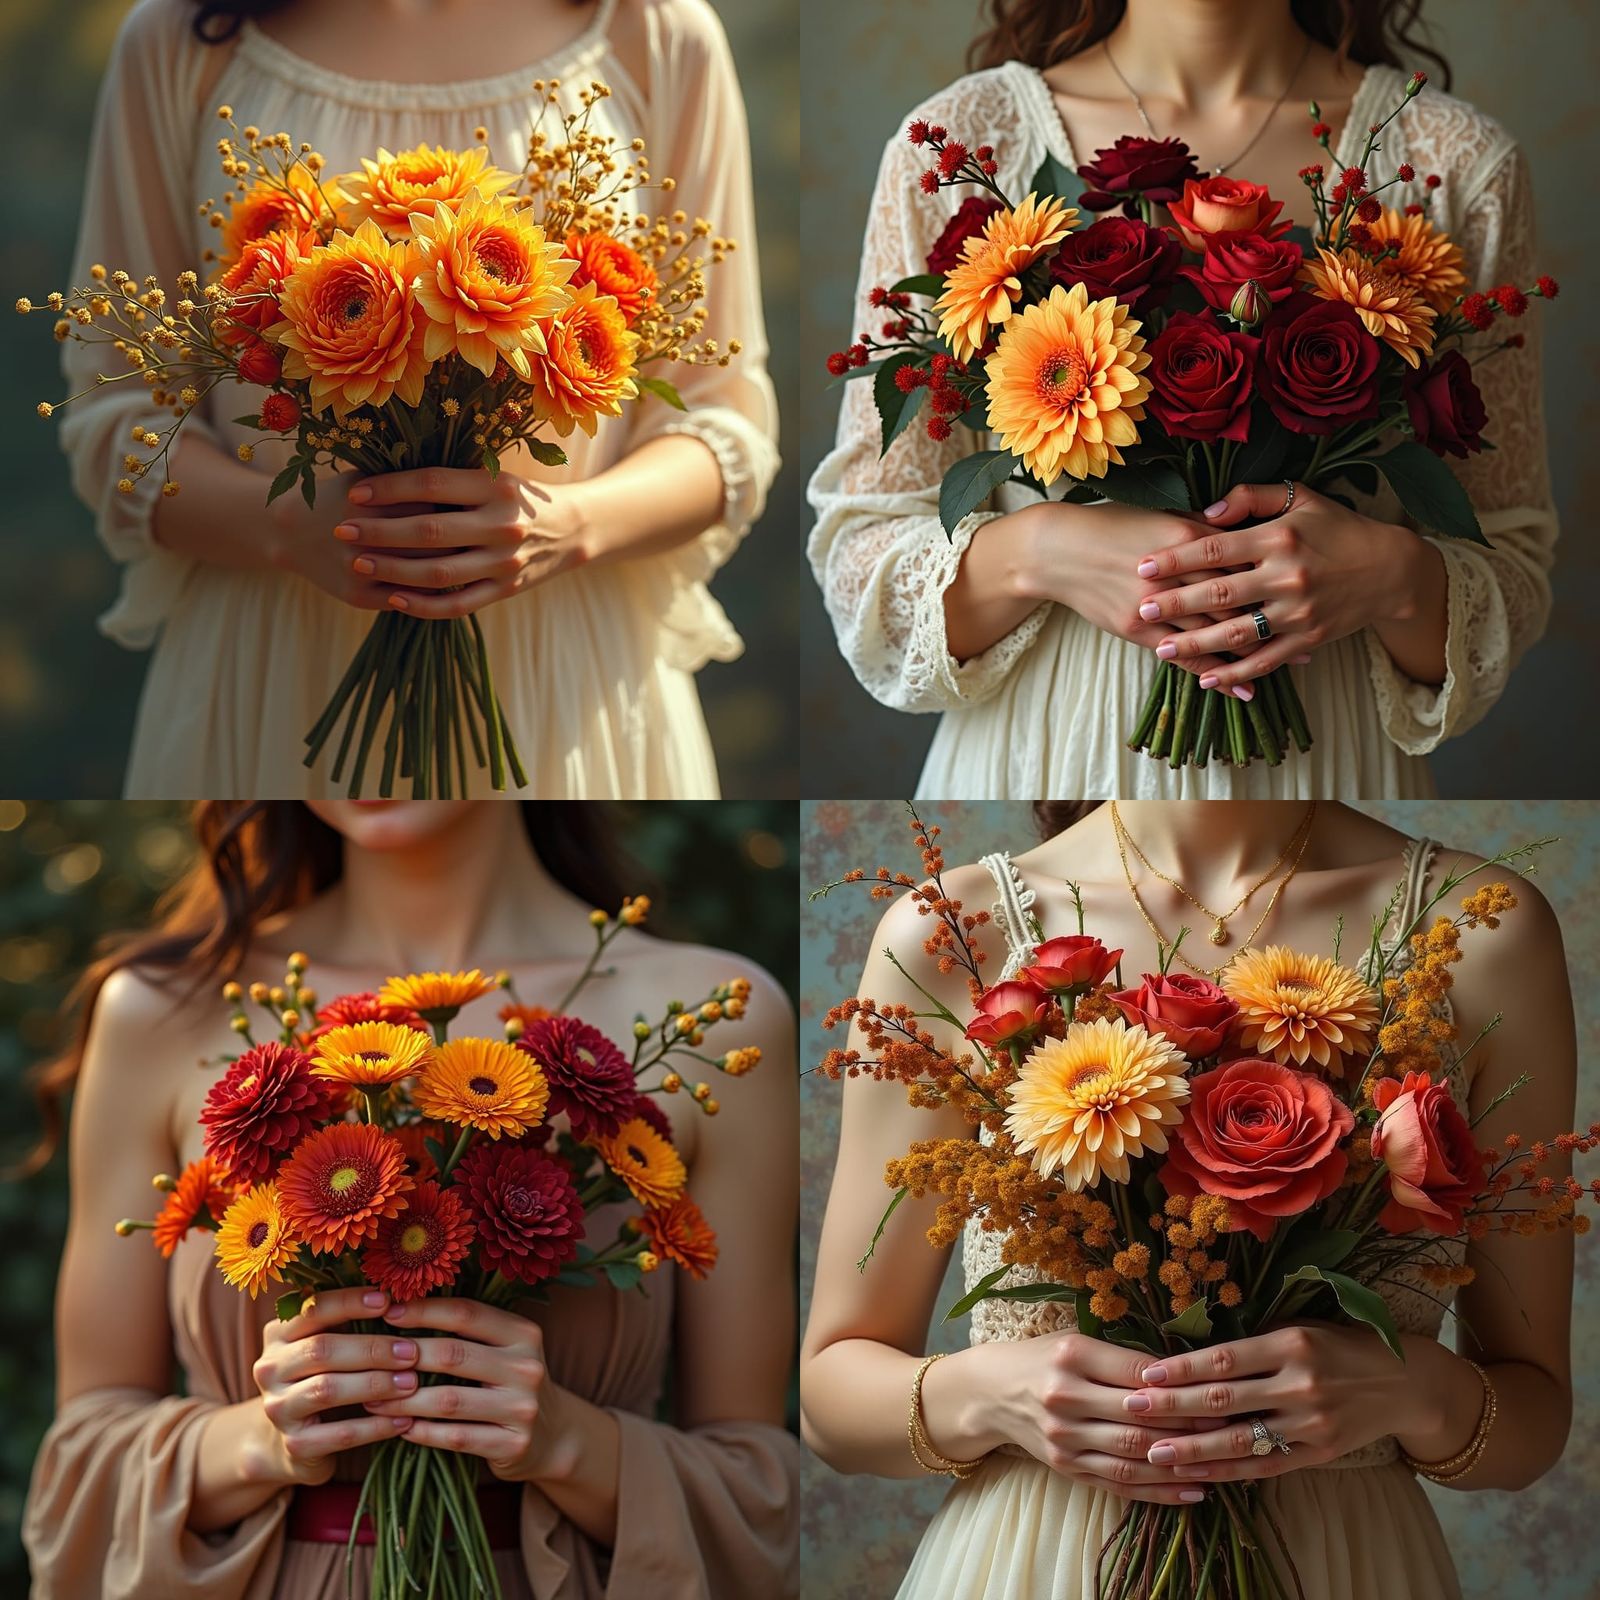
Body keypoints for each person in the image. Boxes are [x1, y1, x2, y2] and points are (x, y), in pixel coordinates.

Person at [22, 800, 799, 1599]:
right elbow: (83, 1461)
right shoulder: (160, 1008)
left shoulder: (715, 1014)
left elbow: (756, 1494)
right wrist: (259, 1441)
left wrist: (570, 1444)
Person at [801, 800, 1575, 1599]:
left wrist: (1420, 1392)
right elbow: (829, 1399)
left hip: (1345, 1566)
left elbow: (1537, 1412)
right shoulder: (957, 929)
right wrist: (994, 1397)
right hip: (1038, 1564)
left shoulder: (1485, 928)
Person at [808, 0, 1556, 798]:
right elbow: (863, 553)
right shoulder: (963, 140)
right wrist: (1037, 551)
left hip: (1331, 772)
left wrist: (1392, 575)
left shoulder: (1454, 162)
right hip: (1047, 755)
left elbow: (1509, 558)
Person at [63, 0, 776, 798]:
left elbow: (724, 425)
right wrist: (287, 529)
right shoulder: (180, 37)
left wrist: (569, 526)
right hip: (271, 672)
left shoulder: (658, 32)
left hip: (567, 676)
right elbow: (117, 421)